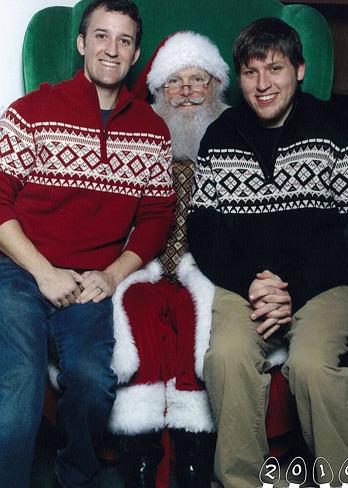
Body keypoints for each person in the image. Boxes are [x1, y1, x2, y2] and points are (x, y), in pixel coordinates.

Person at [0, 0, 175, 486]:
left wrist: (112, 275)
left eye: (123, 40)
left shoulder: (152, 131)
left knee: (94, 383)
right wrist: (42, 271)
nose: (111, 49)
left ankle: (72, 474)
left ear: (136, 52)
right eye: (101, 36)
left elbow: (158, 216)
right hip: (19, 269)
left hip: (90, 281)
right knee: (19, 380)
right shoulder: (29, 112)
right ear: (81, 43)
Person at [187, 17, 348, 488]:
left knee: (310, 364)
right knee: (224, 356)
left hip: (327, 281)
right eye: (251, 72)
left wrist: (297, 290)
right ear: (239, 77)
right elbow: (203, 230)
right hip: (249, 282)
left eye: (275, 69)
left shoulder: (334, 126)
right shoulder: (221, 133)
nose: (263, 85)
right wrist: (251, 281)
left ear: (300, 70)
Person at [105, 31, 229, 488]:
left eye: (199, 80)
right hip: (145, 266)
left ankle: (194, 454)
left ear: (217, 86)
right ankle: (141, 454)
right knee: (138, 313)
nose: (187, 92)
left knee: (193, 316)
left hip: (210, 270)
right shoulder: (139, 141)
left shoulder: (234, 138)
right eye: (174, 83)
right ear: (158, 93)